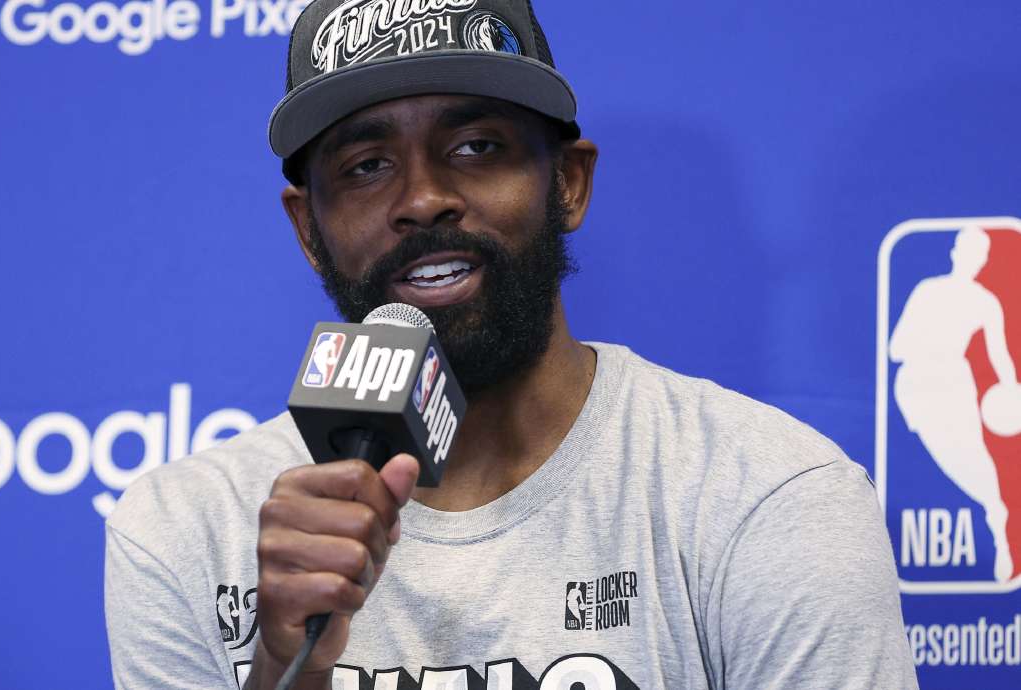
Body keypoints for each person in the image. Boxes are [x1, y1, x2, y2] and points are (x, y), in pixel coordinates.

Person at [105, 1, 917, 688]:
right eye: (366, 164)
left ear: (568, 183)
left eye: (477, 147)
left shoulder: (764, 493)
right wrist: (289, 668)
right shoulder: (187, 527)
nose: (423, 198)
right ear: (307, 232)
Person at [890, 225, 1018, 582]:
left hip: (954, 385)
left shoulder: (985, 302)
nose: (972, 259)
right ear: (955, 253)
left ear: (984, 260)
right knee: (941, 459)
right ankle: (994, 511)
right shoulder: (927, 291)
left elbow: (1000, 355)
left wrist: (1011, 390)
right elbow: (896, 347)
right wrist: (930, 341)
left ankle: (998, 524)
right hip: (914, 386)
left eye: (980, 254)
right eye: (967, 250)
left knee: (974, 459)